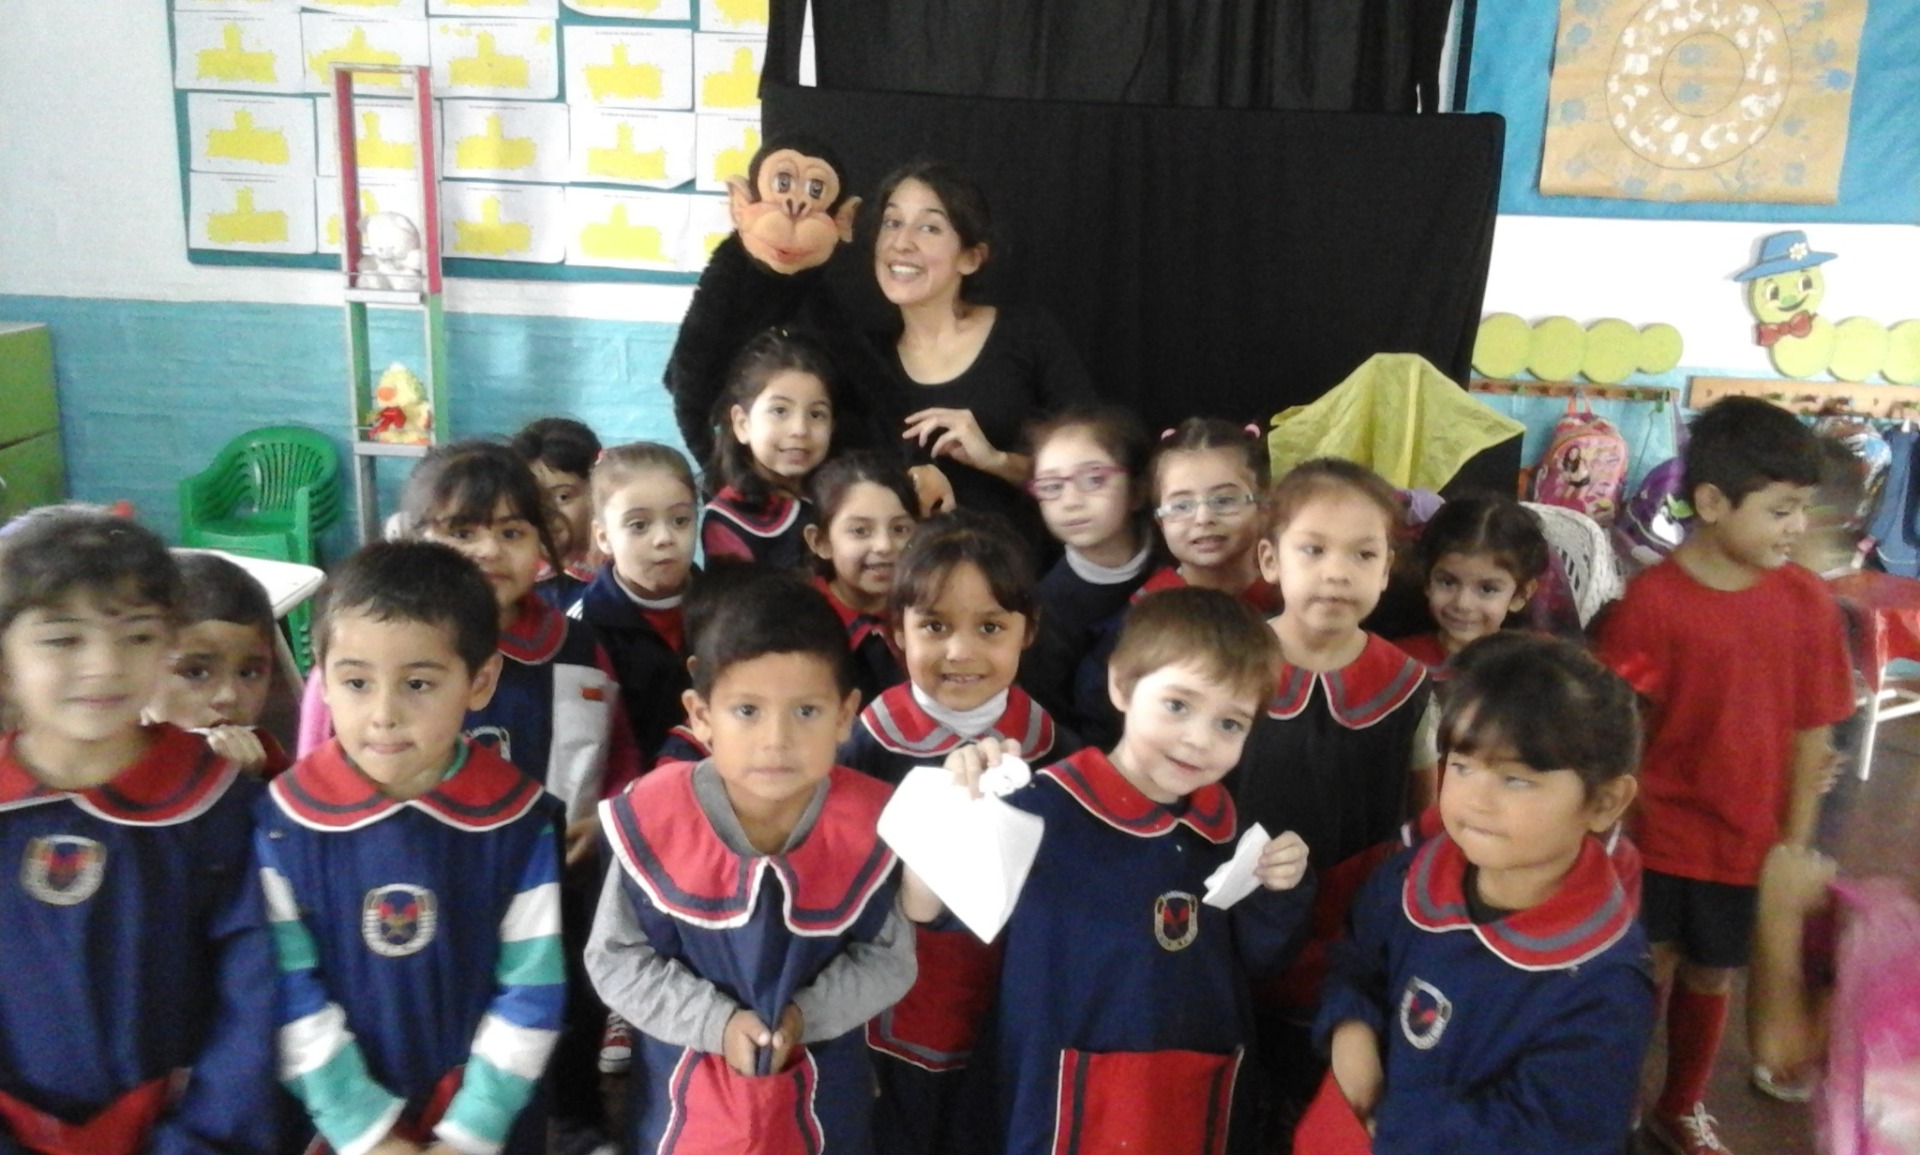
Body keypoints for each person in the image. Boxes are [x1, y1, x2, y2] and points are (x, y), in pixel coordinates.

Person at [913, 587, 1314, 1155]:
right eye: (1178, 706)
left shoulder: (1231, 834)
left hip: (1192, 1097)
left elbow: (1263, 961)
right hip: (1052, 1096)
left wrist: (1281, 887)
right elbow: (928, 913)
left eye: (1230, 723)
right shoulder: (1040, 808)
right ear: (1121, 685)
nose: (1198, 739)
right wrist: (953, 805)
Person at [1594, 396, 1853, 1155]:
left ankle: (1680, 1105)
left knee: (1712, 977)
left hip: (1749, 846)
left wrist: (1791, 848)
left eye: (1801, 509)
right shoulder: (1652, 603)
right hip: (1657, 841)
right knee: (1644, 974)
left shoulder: (1807, 602)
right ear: (1711, 503)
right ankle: (1613, 1102)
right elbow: (1622, 728)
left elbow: (1813, 731)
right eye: (1780, 510)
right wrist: (1607, 832)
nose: (1797, 528)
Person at [585, 574, 916, 1154]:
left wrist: (805, 1016)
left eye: (807, 711)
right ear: (701, 715)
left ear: (846, 715)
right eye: (747, 710)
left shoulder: (871, 821)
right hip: (680, 1088)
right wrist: (715, 1024)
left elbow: (889, 960)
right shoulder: (656, 815)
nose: (776, 740)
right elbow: (615, 958)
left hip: (825, 1082)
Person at [257, 541, 566, 1155]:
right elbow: (286, 990)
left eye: (418, 683)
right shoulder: (284, 821)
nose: (383, 714)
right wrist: (365, 1132)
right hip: (332, 1123)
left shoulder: (516, 819)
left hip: (488, 1122)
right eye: (355, 682)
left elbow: (533, 991)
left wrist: (470, 1132)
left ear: (480, 681)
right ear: (322, 680)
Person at [0, 506, 279, 1155]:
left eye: (137, 635)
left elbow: (256, 1000)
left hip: (187, 1131)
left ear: (168, 644)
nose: (104, 665)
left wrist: (198, 1140)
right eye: (63, 639)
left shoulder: (222, 806)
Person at [1314, 632, 1653, 1155]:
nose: (1476, 799)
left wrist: (1398, 1125)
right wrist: (1351, 1024)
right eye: (1462, 766)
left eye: (1515, 780)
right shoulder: (1411, 875)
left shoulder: (1605, 982)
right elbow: (1357, 961)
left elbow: (1552, 1131)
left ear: (1605, 801)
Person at [834, 510, 1076, 1155]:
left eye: (990, 627)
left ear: (1028, 631)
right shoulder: (867, 745)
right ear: (896, 631)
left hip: (1011, 1001)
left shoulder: (1055, 751)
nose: (961, 652)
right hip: (897, 1004)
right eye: (935, 626)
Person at [1233, 456, 1437, 1127]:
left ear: (1387, 570)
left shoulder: (1409, 685)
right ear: (1270, 559)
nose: (1337, 572)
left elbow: (1425, 814)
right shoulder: (1227, 665)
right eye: (1313, 549)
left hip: (1356, 918)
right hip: (1237, 905)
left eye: (1363, 553)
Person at [870, 161, 1095, 556]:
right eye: (892, 222)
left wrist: (996, 460)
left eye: (929, 227)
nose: (901, 242)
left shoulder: (1026, 332)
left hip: (1024, 574)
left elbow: (1095, 472)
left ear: (971, 258)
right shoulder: (866, 358)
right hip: (911, 582)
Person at [1070, 417, 1274, 748]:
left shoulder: (1294, 606)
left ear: (1265, 504)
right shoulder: (1137, 624)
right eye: (1181, 505)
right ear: (1159, 520)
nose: (1203, 518)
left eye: (1224, 500)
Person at [1017, 405, 1157, 731]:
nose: (1071, 501)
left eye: (1094, 479)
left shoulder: (1177, 557)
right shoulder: (1046, 607)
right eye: (1052, 486)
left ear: (1137, 490)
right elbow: (1054, 717)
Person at [569, 441, 699, 766]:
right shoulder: (581, 629)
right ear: (603, 537)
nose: (664, 538)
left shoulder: (725, 607)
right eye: (638, 525)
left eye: (680, 520)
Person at [144, 549, 291, 776]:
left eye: (249, 673)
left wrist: (248, 781)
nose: (229, 696)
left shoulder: (265, 755)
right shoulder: (106, 761)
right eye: (196, 673)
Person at [702, 326, 837, 571]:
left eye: (816, 414)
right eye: (780, 411)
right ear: (742, 424)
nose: (800, 429)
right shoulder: (728, 518)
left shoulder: (838, 501)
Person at [804, 451, 919, 708]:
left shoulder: (929, 608)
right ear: (821, 542)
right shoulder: (800, 625)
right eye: (860, 531)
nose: (884, 545)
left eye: (900, 529)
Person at [1392, 494, 1549, 674]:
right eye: (1447, 582)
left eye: (1487, 589)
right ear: (1427, 580)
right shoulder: (1397, 663)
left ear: (1520, 595)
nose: (1463, 604)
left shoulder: (1544, 663)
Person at [511, 416, 604, 609]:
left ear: (598, 494)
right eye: (533, 498)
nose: (547, 513)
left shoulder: (622, 576)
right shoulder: (512, 580)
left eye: (563, 497)